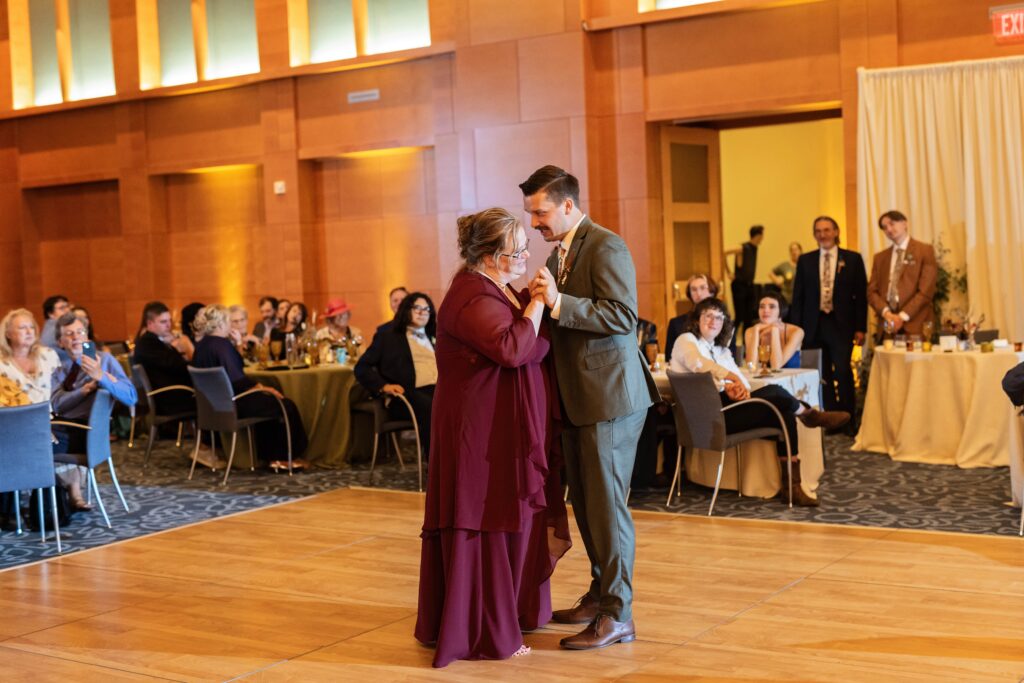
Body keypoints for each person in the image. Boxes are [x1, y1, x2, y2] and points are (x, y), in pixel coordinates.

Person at [415, 208, 570, 667]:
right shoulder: (470, 294)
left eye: (524, 247)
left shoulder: (494, 287)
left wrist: (531, 315)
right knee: (482, 518)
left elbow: (529, 344)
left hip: (494, 427)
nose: (525, 257)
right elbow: (512, 347)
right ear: (488, 255)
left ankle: (508, 611)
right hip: (476, 434)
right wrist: (539, 304)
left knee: (505, 516)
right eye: (516, 250)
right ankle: (481, 628)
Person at [523, 165, 658, 650]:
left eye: (540, 213)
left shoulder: (606, 245)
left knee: (607, 508)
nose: (535, 223)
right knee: (586, 504)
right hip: (579, 397)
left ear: (566, 205)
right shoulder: (562, 249)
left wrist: (560, 304)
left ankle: (618, 614)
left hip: (610, 398)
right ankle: (601, 594)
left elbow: (624, 316)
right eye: (530, 215)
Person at [670, 298, 851, 507]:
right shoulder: (686, 340)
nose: (714, 321)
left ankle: (792, 487)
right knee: (774, 391)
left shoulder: (722, 350)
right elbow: (699, 364)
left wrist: (738, 389)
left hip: (726, 409)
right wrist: (731, 378)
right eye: (708, 315)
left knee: (782, 414)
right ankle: (809, 415)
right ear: (697, 320)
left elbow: (743, 382)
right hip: (706, 418)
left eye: (719, 317)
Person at [191, 305, 309, 471]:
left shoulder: (202, 345)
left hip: (214, 405)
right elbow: (237, 380)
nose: (231, 326)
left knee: (268, 404)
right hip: (233, 403)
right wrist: (262, 387)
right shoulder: (222, 346)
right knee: (285, 405)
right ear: (220, 324)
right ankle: (282, 458)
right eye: (229, 322)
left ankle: (270, 456)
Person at [51, 312, 138, 507]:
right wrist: (84, 390)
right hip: (63, 429)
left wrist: (102, 377)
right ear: (60, 342)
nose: (76, 338)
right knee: (31, 441)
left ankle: (52, 510)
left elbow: (131, 396)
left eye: (80, 332)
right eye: (69, 334)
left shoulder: (104, 360)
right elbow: (57, 404)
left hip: (87, 433)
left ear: (87, 337)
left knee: (35, 446)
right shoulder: (60, 368)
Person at [790, 216, 868, 419]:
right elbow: (798, 297)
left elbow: (861, 296)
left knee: (842, 370)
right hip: (812, 325)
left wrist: (861, 328)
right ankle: (831, 416)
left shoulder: (852, 259)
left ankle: (848, 417)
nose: (822, 234)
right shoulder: (806, 260)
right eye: (818, 231)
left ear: (836, 232)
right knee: (820, 373)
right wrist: (795, 331)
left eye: (826, 230)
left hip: (841, 324)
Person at [133, 301, 222, 469]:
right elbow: (177, 367)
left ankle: (212, 447)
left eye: (169, 321)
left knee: (211, 396)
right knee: (213, 400)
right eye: (163, 322)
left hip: (172, 394)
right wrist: (187, 350)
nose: (169, 325)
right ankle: (206, 448)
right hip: (169, 399)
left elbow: (176, 365)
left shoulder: (154, 342)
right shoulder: (148, 344)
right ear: (150, 323)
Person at [0, 310, 65, 519]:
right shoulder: (1, 363)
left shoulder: (48, 355)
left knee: (36, 446)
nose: (29, 332)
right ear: (8, 333)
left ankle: (44, 514)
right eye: (22, 327)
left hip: (51, 423)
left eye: (31, 327)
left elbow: (62, 391)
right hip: (14, 425)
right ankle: (8, 513)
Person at [354, 292, 437, 455]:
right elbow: (362, 367)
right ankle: (436, 468)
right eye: (417, 308)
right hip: (405, 395)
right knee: (435, 408)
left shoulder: (434, 335)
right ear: (407, 310)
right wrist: (383, 386)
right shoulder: (388, 336)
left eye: (426, 309)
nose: (422, 313)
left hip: (436, 391)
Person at [867, 210, 938, 337]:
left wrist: (901, 317)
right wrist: (887, 313)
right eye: (884, 227)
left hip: (915, 324)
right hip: (887, 325)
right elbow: (871, 291)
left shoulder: (924, 251)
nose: (888, 229)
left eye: (892, 224)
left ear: (904, 223)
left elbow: (926, 291)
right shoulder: (880, 257)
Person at [665, 273, 719, 360]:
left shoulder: (724, 322)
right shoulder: (676, 323)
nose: (698, 293)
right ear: (689, 294)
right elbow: (669, 358)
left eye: (702, 288)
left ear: (712, 291)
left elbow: (731, 358)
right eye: (694, 289)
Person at [744, 292, 804, 370]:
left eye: (772, 307)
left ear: (781, 310)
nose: (765, 310)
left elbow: (776, 367)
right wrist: (756, 330)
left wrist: (774, 330)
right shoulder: (750, 331)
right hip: (765, 381)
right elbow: (751, 367)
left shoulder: (796, 331)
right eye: (762, 307)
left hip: (791, 381)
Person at [725, 225, 764, 332]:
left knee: (749, 318)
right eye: (762, 235)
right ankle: (729, 340)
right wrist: (729, 272)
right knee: (739, 317)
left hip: (750, 285)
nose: (763, 238)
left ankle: (746, 343)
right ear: (758, 235)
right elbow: (724, 253)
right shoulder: (742, 248)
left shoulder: (755, 248)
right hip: (739, 285)